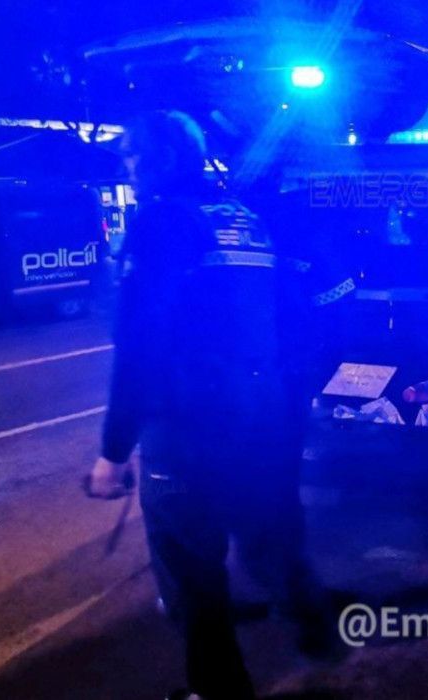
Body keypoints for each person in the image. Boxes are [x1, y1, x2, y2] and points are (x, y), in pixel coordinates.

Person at [85, 111, 326, 700]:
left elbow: (139, 346)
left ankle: (219, 689)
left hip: (190, 428)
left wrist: (113, 453)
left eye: (135, 157)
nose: (129, 169)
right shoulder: (244, 220)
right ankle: (315, 629)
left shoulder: (161, 222)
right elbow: (295, 320)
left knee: (189, 568)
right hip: (261, 416)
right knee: (265, 529)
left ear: (162, 159)